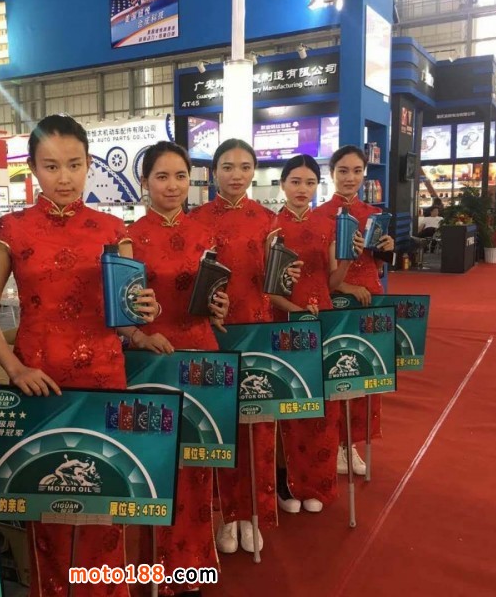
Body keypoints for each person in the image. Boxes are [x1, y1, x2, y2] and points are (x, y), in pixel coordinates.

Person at [0, 114, 160, 597]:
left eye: (74, 164)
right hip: (40, 381)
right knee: (47, 504)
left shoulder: (112, 227)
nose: (64, 177)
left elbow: (127, 311)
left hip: (103, 377)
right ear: (33, 167)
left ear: (88, 163)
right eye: (51, 166)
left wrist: (144, 316)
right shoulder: (11, 229)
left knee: (106, 495)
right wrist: (14, 368)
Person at [127, 141, 230, 596]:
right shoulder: (129, 238)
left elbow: (214, 298)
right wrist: (138, 335)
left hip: (201, 353)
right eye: (162, 177)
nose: (173, 186)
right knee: (153, 466)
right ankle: (152, 568)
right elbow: (121, 308)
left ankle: (190, 566)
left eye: (181, 176)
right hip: (152, 357)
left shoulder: (205, 234)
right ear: (145, 182)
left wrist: (220, 307)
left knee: (197, 465)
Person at [189, 138, 300, 555]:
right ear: (214, 171)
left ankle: (254, 513)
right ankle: (227, 515)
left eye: (244, 167)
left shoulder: (269, 221)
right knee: (220, 427)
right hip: (212, 334)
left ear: (254, 171)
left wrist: (288, 279)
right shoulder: (196, 220)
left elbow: (275, 287)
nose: (236, 175)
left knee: (259, 428)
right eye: (227, 167)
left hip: (257, 330)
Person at [269, 155, 364, 514]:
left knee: (321, 407)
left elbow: (333, 281)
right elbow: (268, 287)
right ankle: (286, 482)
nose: (302, 189)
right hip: (284, 320)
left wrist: (349, 259)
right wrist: (294, 310)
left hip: (321, 318)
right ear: (283, 184)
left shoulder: (327, 225)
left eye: (309, 182)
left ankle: (315, 483)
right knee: (288, 403)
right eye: (295, 181)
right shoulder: (271, 227)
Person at [314, 145, 395, 476]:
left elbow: (378, 265)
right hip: (335, 301)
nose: (350, 178)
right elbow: (314, 270)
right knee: (335, 372)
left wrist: (386, 250)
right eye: (343, 171)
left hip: (370, 300)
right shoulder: (318, 216)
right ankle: (333, 443)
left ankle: (352, 444)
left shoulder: (374, 214)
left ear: (365, 174)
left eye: (357, 171)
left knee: (366, 373)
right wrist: (345, 286)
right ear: (331, 173)